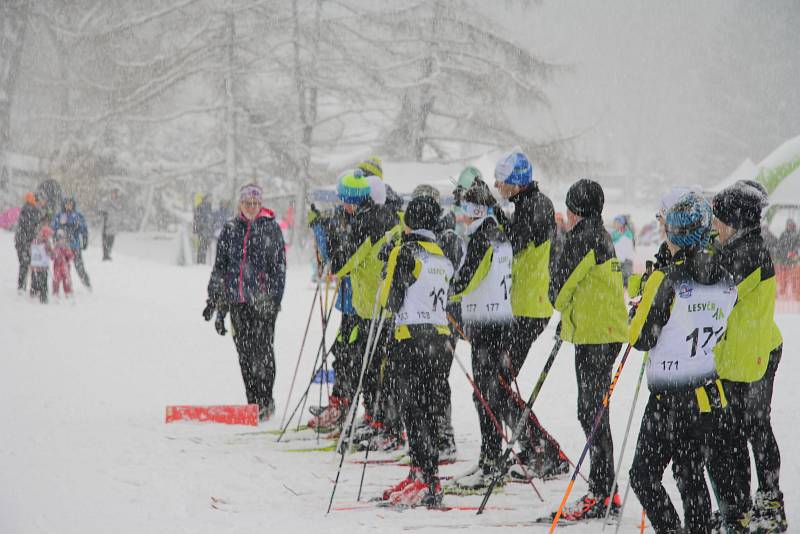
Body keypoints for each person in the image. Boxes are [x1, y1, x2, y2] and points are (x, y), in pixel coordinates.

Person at [628, 193, 738, 533]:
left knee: (644, 476)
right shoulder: (725, 277)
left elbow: (639, 337)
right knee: (690, 477)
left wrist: (640, 300)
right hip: (704, 394)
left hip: (670, 399)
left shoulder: (667, 279)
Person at [707, 180, 786, 533]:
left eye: (718, 220)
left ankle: (770, 502)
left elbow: (719, 294)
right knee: (732, 431)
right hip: (736, 358)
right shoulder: (734, 246)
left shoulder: (748, 252)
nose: (714, 226)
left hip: (756, 357)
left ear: (734, 221)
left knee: (754, 426)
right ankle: (737, 507)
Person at [547, 178, 628, 520]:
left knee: (591, 412)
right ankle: (603, 487)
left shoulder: (582, 238)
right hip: (603, 331)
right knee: (594, 411)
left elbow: (559, 290)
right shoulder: (601, 233)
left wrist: (557, 248)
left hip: (596, 336)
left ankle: (603, 489)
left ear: (574, 209)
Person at [490, 150, 567, 479]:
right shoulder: (526, 203)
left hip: (530, 308)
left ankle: (544, 451)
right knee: (497, 383)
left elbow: (514, 242)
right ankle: (533, 447)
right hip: (520, 306)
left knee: (498, 385)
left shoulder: (537, 206)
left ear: (516, 182)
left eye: (500, 181)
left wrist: (493, 210)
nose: (497, 185)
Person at [377, 195, 454, 507]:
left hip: (410, 339)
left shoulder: (405, 251)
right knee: (429, 408)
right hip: (438, 340)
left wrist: (388, 269)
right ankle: (421, 470)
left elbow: (389, 301)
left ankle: (427, 477)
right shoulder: (443, 255)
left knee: (413, 410)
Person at [204, 184, 286, 421]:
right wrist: (216, 301)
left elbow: (279, 270)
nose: (251, 207)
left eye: (255, 203)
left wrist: (273, 300)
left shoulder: (271, 229)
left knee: (263, 353)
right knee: (245, 355)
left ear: (261, 205)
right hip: (237, 302)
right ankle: (252, 403)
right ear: (240, 204)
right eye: (247, 203)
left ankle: (265, 400)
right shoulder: (230, 230)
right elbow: (221, 268)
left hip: (262, 303)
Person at [51, 197, 91, 290]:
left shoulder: (77, 215)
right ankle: (64, 288)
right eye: (66, 204)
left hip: (74, 246)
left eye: (70, 204)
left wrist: (85, 240)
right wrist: (55, 239)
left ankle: (87, 284)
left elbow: (83, 229)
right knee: (62, 268)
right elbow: (54, 228)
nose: (68, 206)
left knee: (79, 267)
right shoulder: (59, 216)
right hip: (62, 247)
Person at [14, 192, 41, 292]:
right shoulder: (33, 210)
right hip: (27, 242)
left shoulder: (24, 209)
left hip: (20, 241)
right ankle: (34, 287)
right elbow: (32, 227)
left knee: (23, 264)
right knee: (32, 264)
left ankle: (21, 285)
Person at [29, 222, 54, 303]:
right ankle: (43, 297)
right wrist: (53, 254)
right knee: (43, 283)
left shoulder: (34, 241)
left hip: (34, 267)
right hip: (43, 267)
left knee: (34, 281)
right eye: (49, 236)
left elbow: (30, 251)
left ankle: (33, 292)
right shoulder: (47, 244)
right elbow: (51, 254)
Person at [774, 219, 799, 299]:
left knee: (795, 279)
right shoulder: (783, 234)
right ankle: (783, 293)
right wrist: (785, 253)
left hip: (793, 262)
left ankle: (795, 293)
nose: (790, 226)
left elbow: (798, 246)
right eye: (789, 225)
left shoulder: (796, 235)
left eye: (791, 225)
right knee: (783, 278)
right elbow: (779, 246)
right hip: (784, 261)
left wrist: (794, 252)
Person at [611, 215, 635, 287]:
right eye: (614, 222)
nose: (615, 224)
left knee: (626, 280)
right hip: (616, 260)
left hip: (625, 260)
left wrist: (623, 258)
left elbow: (626, 248)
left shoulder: (627, 234)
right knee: (615, 280)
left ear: (622, 224)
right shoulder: (614, 234)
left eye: (617, 222)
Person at [98, 189, 122, 261]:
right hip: (106, 225)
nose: (114, 195)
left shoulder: (117, 203)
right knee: (105, 241)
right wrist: (103, 213)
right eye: (113, 193)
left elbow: (118, 212)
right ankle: (105, 255)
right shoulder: (106, 201)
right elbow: (100, 209)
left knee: (111, 241)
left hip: (113, 226)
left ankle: (108, 253)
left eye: (115, 194)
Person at [52, 229, 75, 297]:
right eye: (60, 239)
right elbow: (52, 256)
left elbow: (71, 256)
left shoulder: (66, 247)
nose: (62, 241)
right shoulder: (56, 247)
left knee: (66, 279)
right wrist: (55, 255)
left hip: (66, 267)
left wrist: (68, 255)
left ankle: (68, 292)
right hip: (57, 267)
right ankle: (55, 292)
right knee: (56, 279)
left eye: (63, 239)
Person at [194, 194, 215, 264]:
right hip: (202, 231)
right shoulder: (201, 206)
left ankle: (203, 261)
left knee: (205, 247)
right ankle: (200, 261)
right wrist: (198, 228)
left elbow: (211, 220)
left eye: (211, 199)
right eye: (210, 198)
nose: (211, 200)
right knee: (201, 247)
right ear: (206, 198)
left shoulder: (210, 207)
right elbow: (197, 218)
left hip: (208, 231)